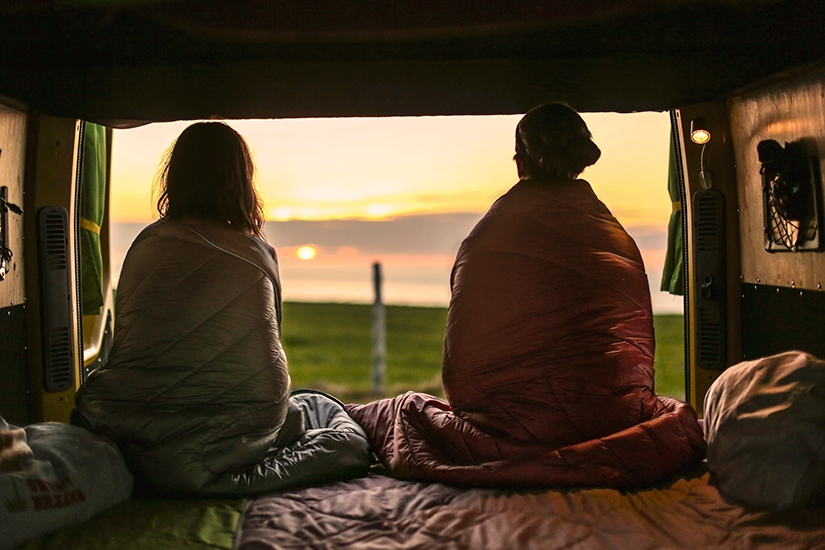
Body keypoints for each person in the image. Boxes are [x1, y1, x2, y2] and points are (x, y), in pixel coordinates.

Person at [347, 103, 706, 489]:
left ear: (520, 159)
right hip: (614, 418)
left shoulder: (491, 235)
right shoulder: (613, 235)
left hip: (515, 431)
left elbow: (463, 373)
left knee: (402, 413)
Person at [73, 122, 370, 497]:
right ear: (242, 181)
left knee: (309, 406)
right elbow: (265, 343)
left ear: (175, 177)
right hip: (230, 440)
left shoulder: (146, 244)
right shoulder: (255, 253)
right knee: (339, 432)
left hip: (129, 426)